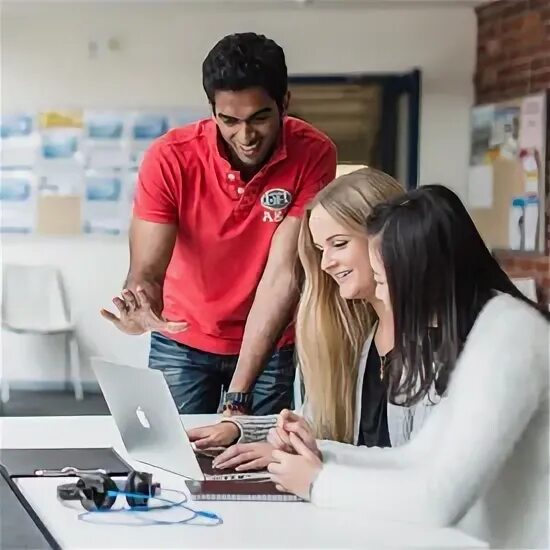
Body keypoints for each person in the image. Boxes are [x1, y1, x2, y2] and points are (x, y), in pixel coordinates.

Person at [269, 185, 549, 549]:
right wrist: (324, 453)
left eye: (384, 282)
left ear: (425, 275)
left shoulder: (511, 336)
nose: (381, 297)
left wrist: (318, 482)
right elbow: (417, 458)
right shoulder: (483, 327)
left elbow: (438, 499)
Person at [100, 32, 337, 415]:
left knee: (258, 462)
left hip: (269, 339)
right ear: (212, 110)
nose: (245, 136)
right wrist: (140, 303)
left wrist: (240, 393)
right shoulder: (170, 158)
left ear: (285, 104)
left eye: (260, 117)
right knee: (177, 457)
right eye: (229, 120)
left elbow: (284, 274)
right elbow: (147, 270)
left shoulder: (314, 152)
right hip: (182, 339)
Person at [187, 167, 405, 470]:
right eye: (320, 249)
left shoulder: (439, 341)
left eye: (339, 243)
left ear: (390, 238)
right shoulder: (362, 336)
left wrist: (303, 456)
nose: (326, 263)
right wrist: (240, 430)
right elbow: (321, 425)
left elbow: (420, 464)